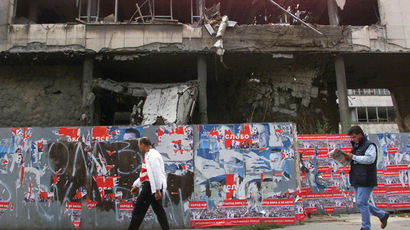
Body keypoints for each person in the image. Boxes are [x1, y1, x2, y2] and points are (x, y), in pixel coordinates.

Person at [343, 126, 389, 230]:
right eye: (351, 138)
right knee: (360, 201)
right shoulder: (356, 146)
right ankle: (382, 215)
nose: (353, 139)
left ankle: (366, 227)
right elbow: (356, 158)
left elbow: (370, 159)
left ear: (360, 134)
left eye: (354, 137)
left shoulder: (369, 145)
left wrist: (353, 157)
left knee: (361, 202)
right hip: (356, 177)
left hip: (366, 177)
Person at [128, 137, 170, 230]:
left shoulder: (152, 155)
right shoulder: (148, 155)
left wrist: (157, 190)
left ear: (143, 144)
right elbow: (147, 174)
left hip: (151, 187)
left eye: (139, 145)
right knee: (159, 212)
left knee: (138, 211)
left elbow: (156, 173)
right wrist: (136, 185)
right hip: (152, 186)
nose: (139, 148)